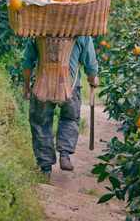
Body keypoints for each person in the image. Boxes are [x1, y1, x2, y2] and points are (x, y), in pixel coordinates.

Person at [22, 36, 99, 178]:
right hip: (70, 86)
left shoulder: (38, 29)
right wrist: (93, 78)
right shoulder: (81, 32)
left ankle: (45, 168)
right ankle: (65, 154)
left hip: (42, 85)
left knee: (40, 123)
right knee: (69, 119)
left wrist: (26, 86)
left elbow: (27, 62)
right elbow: (91, 64)